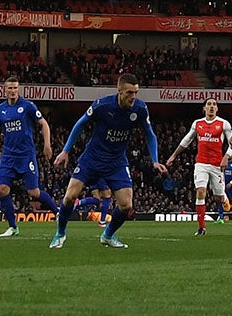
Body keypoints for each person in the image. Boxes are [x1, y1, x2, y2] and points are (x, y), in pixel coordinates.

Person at [50, 73, 164, 249]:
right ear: (119, 91)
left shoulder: (140, 109)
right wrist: (65, 150)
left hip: (116, 162)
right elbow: (80, 123)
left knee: (126, 205)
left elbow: (150, 134)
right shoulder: (103, 105)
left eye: (135, 92)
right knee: (70, 196)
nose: (133, 97)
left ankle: (108, 235)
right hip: (92, 158)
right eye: (129, 93)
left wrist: (155, 160)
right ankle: (60, 233)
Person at [0, 78, 57, 237]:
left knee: (34, 192)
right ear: (5, 90)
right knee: (2, 189)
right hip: (8, 156)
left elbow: (43, 123)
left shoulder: (27, 106)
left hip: (26, 155)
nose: (13, 91)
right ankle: (13, 227)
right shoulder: (0, 110)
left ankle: (57, 212)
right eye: (10, 88)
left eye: (15, 88)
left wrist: (47, 144)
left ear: (18, 89)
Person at [166, 98, 232, 235]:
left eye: (214, 105)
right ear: (204, 108)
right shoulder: (197, 124)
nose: (211, 107)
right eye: (209, 104)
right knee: (200, 192)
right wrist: (174, 156)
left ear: (217, 109)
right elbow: (186, 140)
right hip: (201, 164)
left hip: (217, 166)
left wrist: (227, 156)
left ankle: (224, 198)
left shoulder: (223, 124)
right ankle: (201, 228)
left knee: (218, 198)